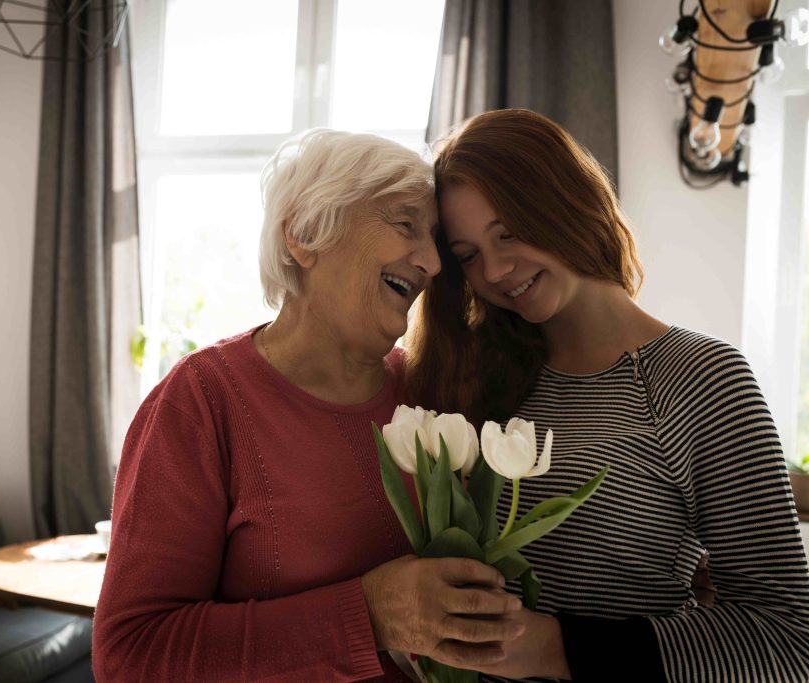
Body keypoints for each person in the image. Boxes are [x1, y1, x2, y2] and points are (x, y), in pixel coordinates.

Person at [92, 129, 531, 682]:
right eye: (403, 225)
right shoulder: (200, 402)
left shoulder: (430, 389)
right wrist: (368, 617)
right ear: (303, 234)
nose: (433, 263)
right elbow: (130, 656)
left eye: (437, 241)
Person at [407, 108, 809, 682]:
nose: (497, 268)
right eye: (469, 254)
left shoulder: (702, 379)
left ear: (566, 202)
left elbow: (784, 641)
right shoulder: (473, 375)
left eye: (509, 231)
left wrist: (551, 646)